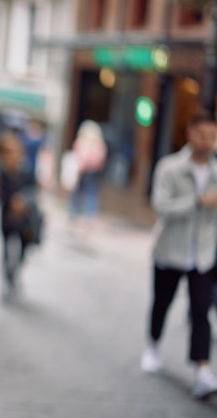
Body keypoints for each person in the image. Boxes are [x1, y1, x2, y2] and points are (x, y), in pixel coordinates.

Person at [140, 108, 217, 401]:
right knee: (162, 302)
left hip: (203, 255)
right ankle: (154, 346)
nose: (207, 141)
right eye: (202, 135)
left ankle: (202, 371)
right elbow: (161, 207)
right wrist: (197, 202)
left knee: (201, 312)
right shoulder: (170, 168)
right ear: (190, 134)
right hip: (170, 250)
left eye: (213, 136)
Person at [0, 132, 41, 301]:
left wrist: (22, 201)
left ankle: (15, 275)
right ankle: (7, 279)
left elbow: (33, 190)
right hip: (7, 218)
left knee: (23, 249)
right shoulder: (1, 171)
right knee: (7, 250)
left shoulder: (26, 169)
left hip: (25, 219)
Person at [68, 119, 107, 235]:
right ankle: (86, 214)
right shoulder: (97, 143)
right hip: (91, 171)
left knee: (81, 192)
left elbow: (78, 155)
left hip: (85, 171)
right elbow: (101, 157)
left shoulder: (83, 142)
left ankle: (76, 213)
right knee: (90, 193)